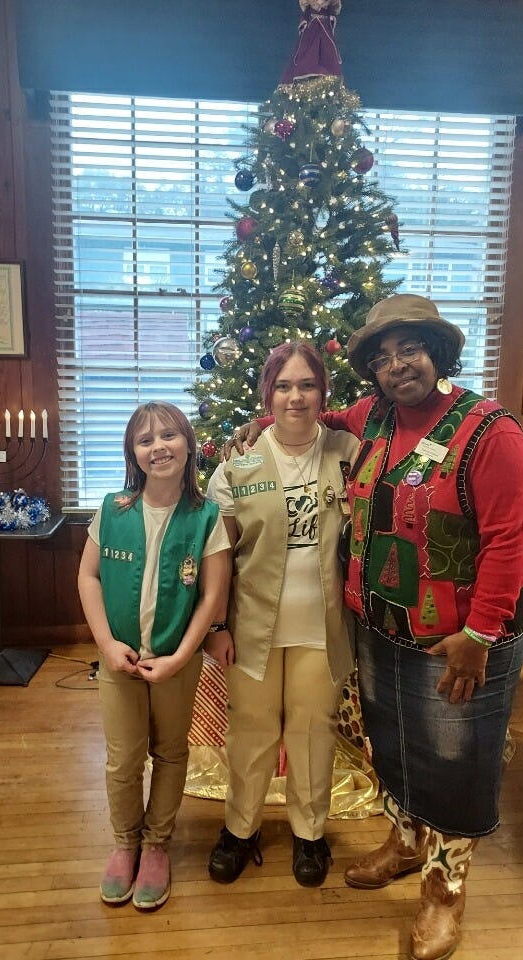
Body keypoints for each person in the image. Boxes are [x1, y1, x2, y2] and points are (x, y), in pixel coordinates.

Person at [230, 295, 523, 960]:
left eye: (411, 349)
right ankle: (404, 844)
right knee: (393, 747)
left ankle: (444, 893)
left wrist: (480, 635)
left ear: (438, 352)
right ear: (372, 370)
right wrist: (260, 423)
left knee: (455, 767)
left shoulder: (490, 433)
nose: (398, 365)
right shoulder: (374, 417)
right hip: (380, 630)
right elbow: (315, 412)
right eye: (383, 356)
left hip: (456, 644)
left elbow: (514, 540)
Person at [205, 341, 359, 888]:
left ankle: (309, 833)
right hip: (253, 626)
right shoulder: (239, 461)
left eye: (307, 385)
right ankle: (240, 829)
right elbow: (218, 556)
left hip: (323, 624)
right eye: (284, 386)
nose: (296, 397)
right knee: (251, 729)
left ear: (323, 393)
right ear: (267, 394)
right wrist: (216, 625)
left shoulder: (348, 451)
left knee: (313, 728)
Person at [78, 402, 231, 910]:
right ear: (133, 454)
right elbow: (88, 576)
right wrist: (106, 643)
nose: (158, 447)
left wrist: (182, 656)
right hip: (119, 661)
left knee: (169, 752)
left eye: (169, 435)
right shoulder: (113, 510)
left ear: (188, 444)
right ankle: (126, 843)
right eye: (145, 440)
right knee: (123, 759)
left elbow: (211, 596)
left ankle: (156, 845)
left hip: (175, 663)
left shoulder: (206, 517)